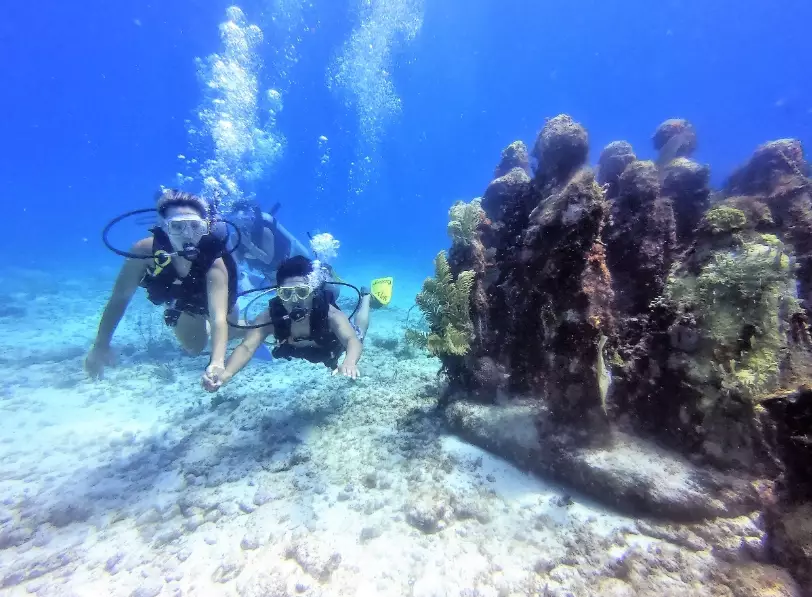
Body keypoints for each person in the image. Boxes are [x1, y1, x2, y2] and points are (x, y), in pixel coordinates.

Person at [85, 190, 239, 385]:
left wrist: (217, 362)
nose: (188, 235)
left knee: (230, 333)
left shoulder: (215, 261)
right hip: (185, 303)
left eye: (195, 226)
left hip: (217, 297)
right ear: (164, 228)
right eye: (177, 227)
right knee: (194, 347)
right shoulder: (144, 252)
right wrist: (100, 345)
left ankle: (244, 328)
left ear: (206, 227)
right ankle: (193, 318)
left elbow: (218, 318)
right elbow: (119, 298)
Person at [202, 256, 373, 392]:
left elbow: (351, 340)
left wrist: (349, 362)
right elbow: (247, 347)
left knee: (359, 333)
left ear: (313, 292)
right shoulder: (271, 316)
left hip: (330, 348)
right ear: (278, 294)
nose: (294, 300)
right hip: (298, 349)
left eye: (301, 292)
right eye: (286, 294)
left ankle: (366, 297)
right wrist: (227, 373)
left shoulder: (329, 313)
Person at [230, 199, 311, 288]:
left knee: (307, 279)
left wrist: (249, 245)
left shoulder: (265, 231)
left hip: (290, 259)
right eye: (238, 221)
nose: (244, 225)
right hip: (269, 272)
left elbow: (267, 259)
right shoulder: (235, 237)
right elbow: (238, 261)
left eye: (246, 220)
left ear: (252, 218)